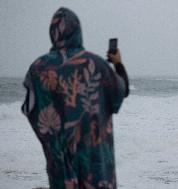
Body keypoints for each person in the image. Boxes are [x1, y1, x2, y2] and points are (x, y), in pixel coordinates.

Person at [21, 7, 129, 189]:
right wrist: (118, 63)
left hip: (61, 174)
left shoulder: (38, 70)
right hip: (98, 172)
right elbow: (121, 92)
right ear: (77, 31)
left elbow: (29, 111)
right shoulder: (97, 65)